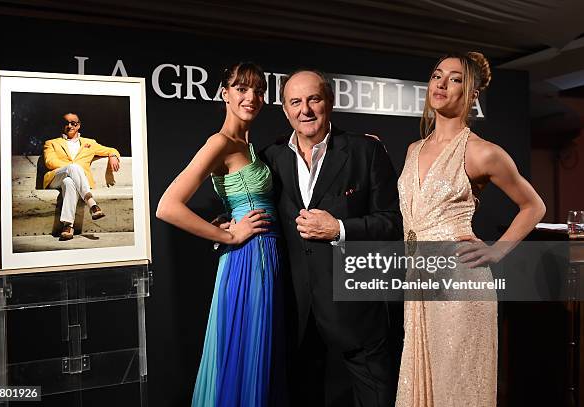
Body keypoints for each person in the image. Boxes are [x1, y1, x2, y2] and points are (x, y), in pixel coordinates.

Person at [395, 52, 546, 406]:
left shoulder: (482, 153)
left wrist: (496, 250)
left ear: (473, 93)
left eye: (455, 78)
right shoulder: (412, 150)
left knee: (457, 388)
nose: (442, 84)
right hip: (419, 282)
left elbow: (534, 206)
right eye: (436, 76)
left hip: (459, 287)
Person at [259, 70, 403, 406]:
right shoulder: (271, 158)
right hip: (298, 314)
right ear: (284, 109)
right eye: (295, 102)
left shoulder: (366, 151)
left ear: (330, 102)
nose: (305, 110)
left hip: (358, 312)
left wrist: (339, 229)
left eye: (314, 99)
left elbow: (393, 223)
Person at [156, 62, 286, 406]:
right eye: (242, 89)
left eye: (258, 90)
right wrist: (227, 235)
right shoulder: (221, 142)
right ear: (224, 94)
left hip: (266, 258)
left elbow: (240, 194)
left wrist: (224, 220)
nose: (252, 97)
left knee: (260, 354)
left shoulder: (250, 145)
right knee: (244, 352)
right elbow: (168, 206)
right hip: (246, 261)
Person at [43, 113, 121, 240]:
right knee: (73, 167)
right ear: (62, 126)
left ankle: (68, 226)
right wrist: (72, 166)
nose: (70, 126)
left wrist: (112, 156)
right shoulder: (51, 143)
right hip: (55, 177)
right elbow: (50, 162)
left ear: (78, 125)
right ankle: (92, 204)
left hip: (73, 181)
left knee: (69, 182)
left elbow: (111, 150)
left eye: (73, 123)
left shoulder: (89, 143)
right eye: (66, 123)